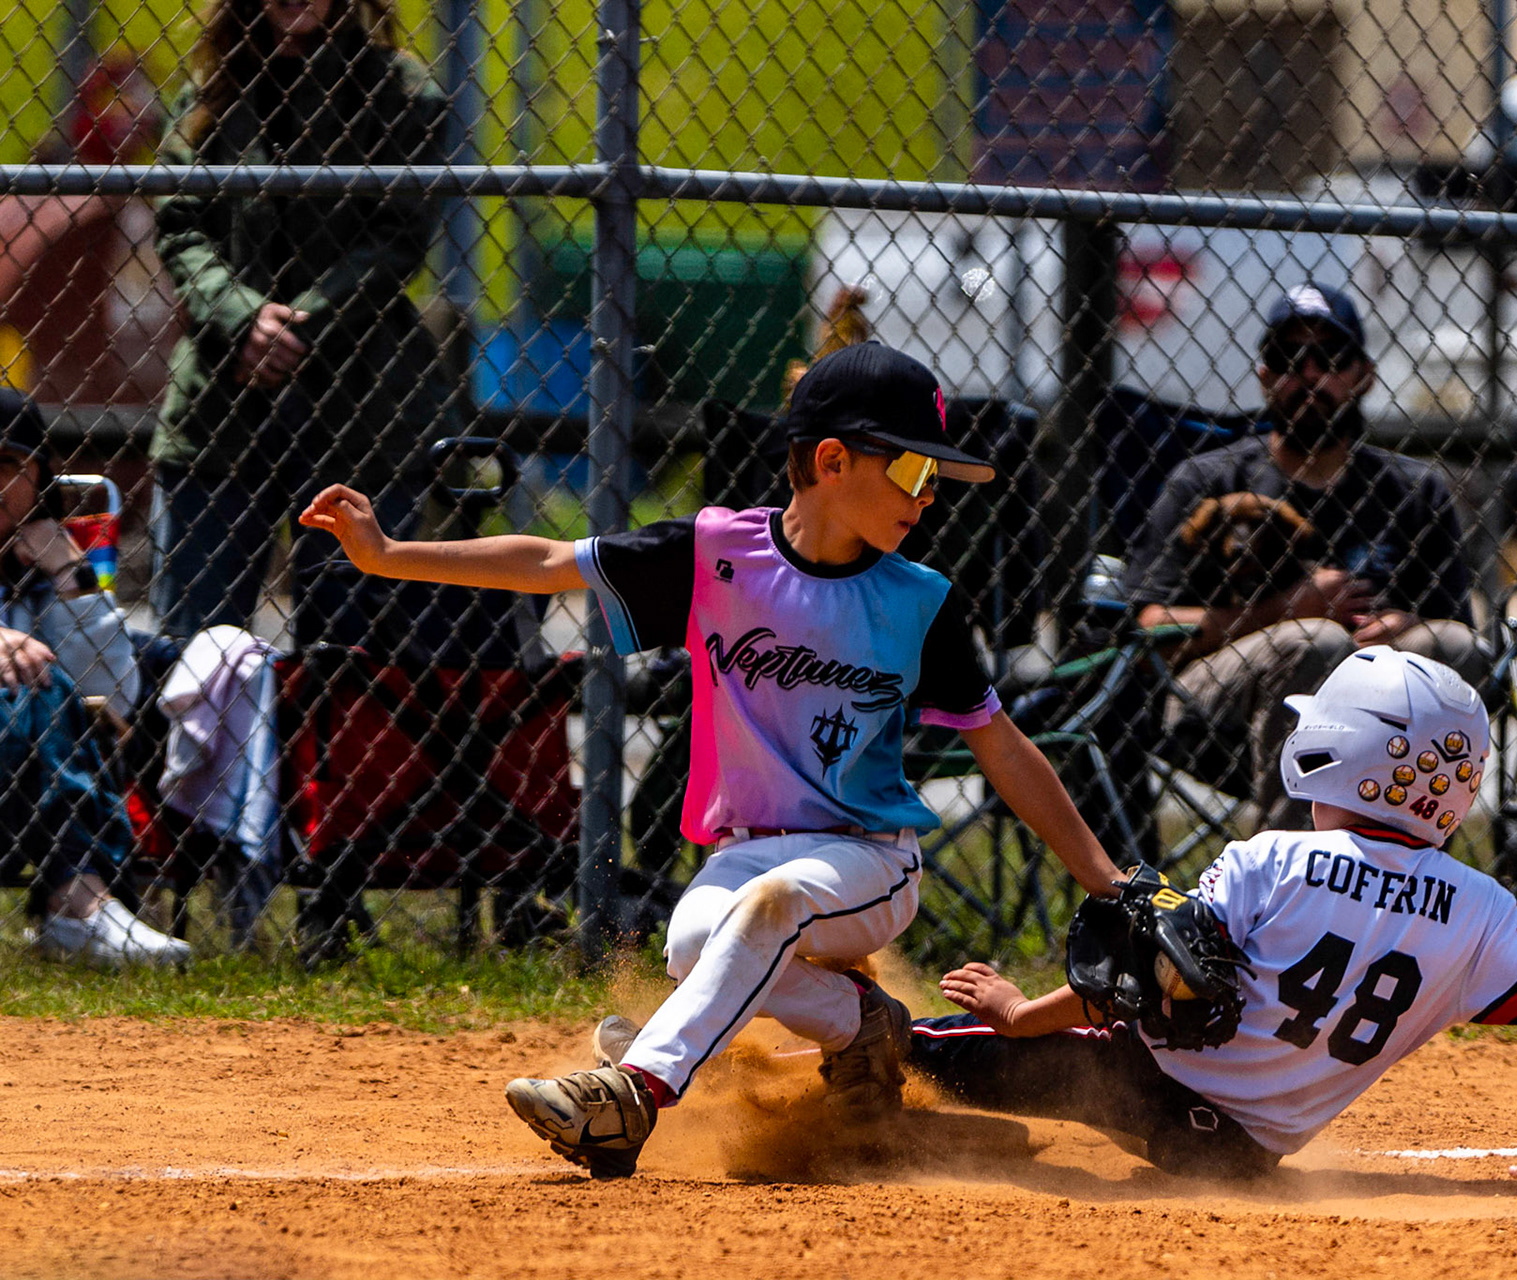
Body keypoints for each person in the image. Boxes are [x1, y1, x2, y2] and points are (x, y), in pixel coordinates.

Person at [298, 341, 1126, 1178]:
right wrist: (388, 555)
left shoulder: (920, 600)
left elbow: (1003, 748)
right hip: (745, 850)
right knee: (697, 946)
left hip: (869, 858)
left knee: (770, 907)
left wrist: (1106, 882)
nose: (929, 494)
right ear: (832, 461)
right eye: (912, 469)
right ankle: (861, 1026)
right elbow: (550, 563)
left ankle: (635, 1090)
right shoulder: (717, 555)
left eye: (935, 476)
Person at [903, 648, 1517, 1184]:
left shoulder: (1275, 858)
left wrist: (1018, 1012)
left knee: (913, 1045)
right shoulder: (1485, 910)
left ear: (1345, 753)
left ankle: (849, 1094)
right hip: (1241, 1155)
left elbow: (1143, 975)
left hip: (1142, 1086)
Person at [1125, 281, 1486, 831]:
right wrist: (1284, 612)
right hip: (1215, 702)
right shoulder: (1207, 482)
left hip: (1380, 697)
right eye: (1287, 357)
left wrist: (1400, 629)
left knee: (1451, 647)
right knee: (1315, 642)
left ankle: (1412, 871)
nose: (1309, 374)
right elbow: (1150, 624)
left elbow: (1455, 624)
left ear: (1364, 375)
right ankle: (1292, 874)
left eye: (1331, 357)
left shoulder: (1414, 492)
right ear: (1264, 375)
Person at [149, 0, 449, 645]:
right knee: (194, 652)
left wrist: (296, 327)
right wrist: (241, 317)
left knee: (352, 657)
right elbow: (179, 224)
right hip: (220, 405)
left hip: (362, 404)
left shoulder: (400, 91)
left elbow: (397, 238)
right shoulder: (211, 88)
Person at [0, 391, 189, 968]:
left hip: (28, 780)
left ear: (39, 475)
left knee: (48, 685)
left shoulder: (46, 566)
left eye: (8, 465)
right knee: (39, 683)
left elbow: (117, 695)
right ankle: (81, 907)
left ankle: (80, 904)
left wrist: (69, 575)